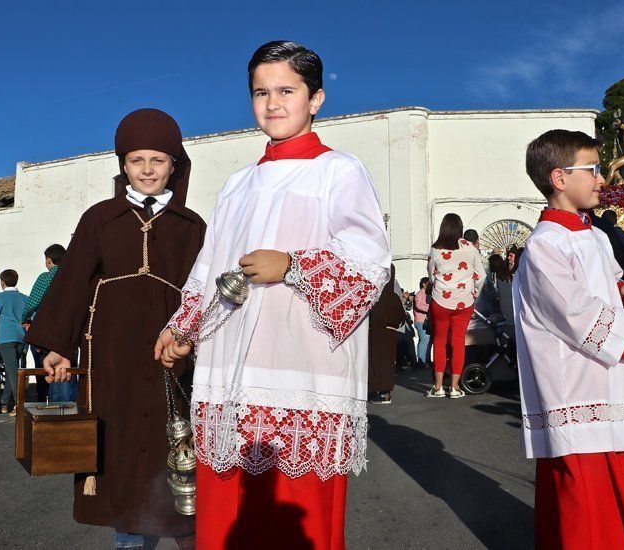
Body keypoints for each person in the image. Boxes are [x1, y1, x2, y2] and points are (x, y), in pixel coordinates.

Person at [154, 41, 390, 550]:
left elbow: (371, 263)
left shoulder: (339, 171)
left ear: (316, 98)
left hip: (300, 369)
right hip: (229, 373)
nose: (272, 103)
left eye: (287, 90)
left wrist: (293, 266)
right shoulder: (237, 185)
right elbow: (207, 268)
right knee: (228, 518)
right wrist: (182, 326)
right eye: (260, 92)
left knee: (291, 517)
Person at [25, 108, 206, 548]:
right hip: (113, 353)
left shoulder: (192, 227)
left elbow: (205, 293)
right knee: (121, 449)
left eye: (158, 160)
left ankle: (192, 532)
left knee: (179, 446)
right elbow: (71, 282)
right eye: (137, 160)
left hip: (175, 355)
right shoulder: (100, 218)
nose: (147, 169)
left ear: (174, 165)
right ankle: (131, 540)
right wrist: (57, 346)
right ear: (123, 164)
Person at [515, 129, 624, 549]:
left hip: (605, 378)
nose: (603, 179)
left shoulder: (595, 235)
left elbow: (603, 285)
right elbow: (573, 311)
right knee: (582, 493)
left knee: (612, 484)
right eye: (594, 170)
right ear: (559, 178)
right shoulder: (545, 245)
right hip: (574, 386)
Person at [426, 213, 485, 399]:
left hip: (440, 301)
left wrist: (438, 287)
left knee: (440, 341)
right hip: (464, 301)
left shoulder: (435, 249)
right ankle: (455, 387)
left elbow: (431, 274)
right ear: (460, 228)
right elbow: (481, 275)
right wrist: (473, 292)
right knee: (458, 342)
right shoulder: (469, 248)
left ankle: (438, 387)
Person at [22, 244, 70, 402]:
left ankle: (51, 403)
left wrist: (24, 318)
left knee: (48, 367)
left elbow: (32, 303)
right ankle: (70, 405)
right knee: (68, 368)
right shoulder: (72, 277)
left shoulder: (46, 277)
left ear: (49, 260)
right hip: (69, 328)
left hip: (47, 329)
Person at [0, 269, 28, 416]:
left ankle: (19, 404)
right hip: (22, 338)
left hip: (6, 338)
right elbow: (31, 316)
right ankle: (5, 402)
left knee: (12, 371)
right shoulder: (24, 297)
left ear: (2, 282)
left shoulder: (0, 297)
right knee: (13, 370)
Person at [369, 265, 406, 405]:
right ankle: (382, 391)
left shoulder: (374, 287)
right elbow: (401, 312)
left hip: (378, 329)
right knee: (385, 361)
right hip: (389, 330)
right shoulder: (394, 288)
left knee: (378, 361)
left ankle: (382, 392)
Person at [413, 277, 431, 367]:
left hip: (425, 321)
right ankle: (421, 361)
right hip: (421, 321)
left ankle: (425, 359)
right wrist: (430, 308)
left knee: (425, 340)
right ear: (424, 284)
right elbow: (419, 305)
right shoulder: (420, 294)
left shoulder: (427, 294)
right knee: (424, 340)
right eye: (429, 283)